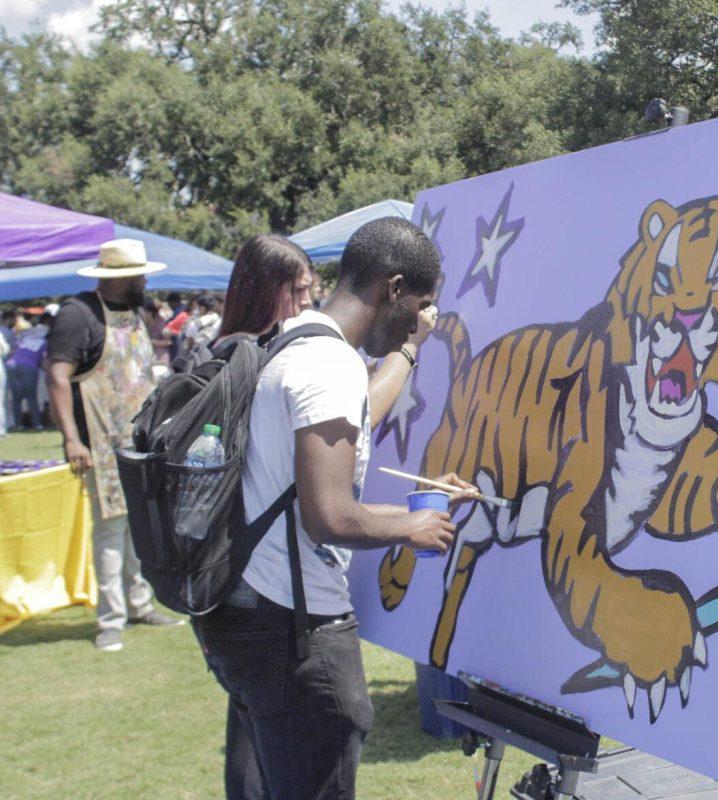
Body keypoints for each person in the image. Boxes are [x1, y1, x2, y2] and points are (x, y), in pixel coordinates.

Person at [191, 218, 474, 799]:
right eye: (418, 305)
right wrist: (412, 524)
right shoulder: (329, 364)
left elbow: (347, 431)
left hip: (243, 610)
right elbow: (330, 516)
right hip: (292, 628)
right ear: (393, 289)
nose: (418, 319)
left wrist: (408, 350)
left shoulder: (292, 341)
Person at [46, 239, 184, 652]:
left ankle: (141, 604)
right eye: (139, 274)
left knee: (138, 526)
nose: (144, 280)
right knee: (109, 530)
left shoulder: (134, 311)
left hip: (140, 439)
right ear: (119, 277)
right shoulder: (79, 314)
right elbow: (57, 377)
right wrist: (72, 438)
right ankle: (111, 618)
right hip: (99, 443)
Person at [8, 311, 50, 430]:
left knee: (16, 399)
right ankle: (37, 424)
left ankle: (18, 424)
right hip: (29, 367)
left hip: (12, 365)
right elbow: (44, 360)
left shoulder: (26, 335)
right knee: (31, 397)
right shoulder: (45, 341)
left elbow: (13, 351)